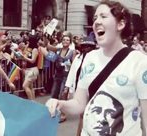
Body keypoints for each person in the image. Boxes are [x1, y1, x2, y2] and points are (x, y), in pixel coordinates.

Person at [46, 1, 147, 135]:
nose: (96, 22)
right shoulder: (88, 59)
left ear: (121, 24)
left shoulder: (139, 62)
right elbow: (79, 104)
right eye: (95, 18)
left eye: (103, 17)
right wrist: (60, 104)